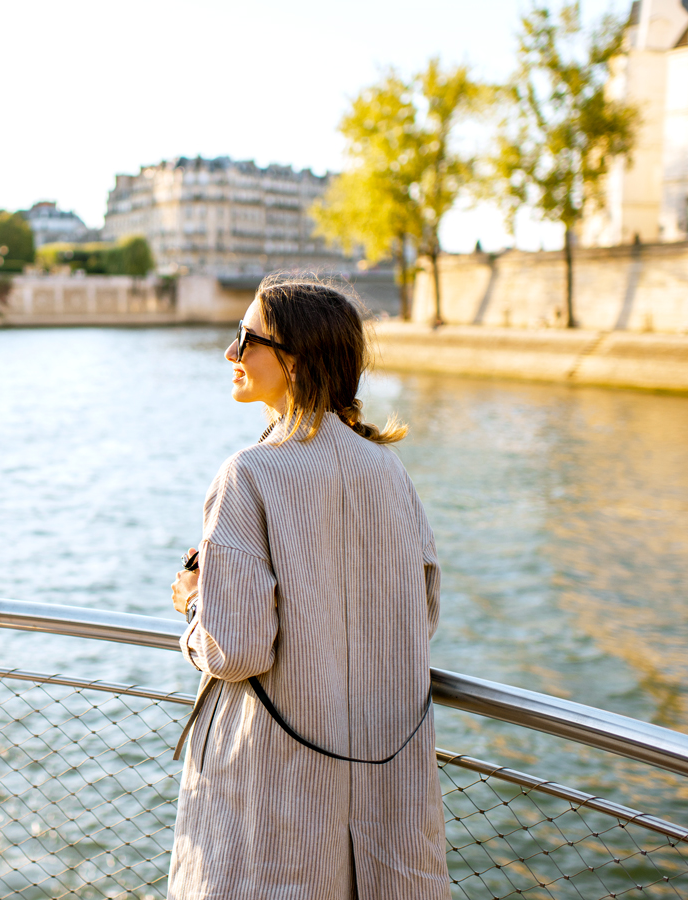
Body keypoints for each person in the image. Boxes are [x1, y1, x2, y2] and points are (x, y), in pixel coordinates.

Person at [167, 276, 449, 899]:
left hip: (274, 789)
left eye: (245, 338)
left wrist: (194, 606)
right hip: (382, 779)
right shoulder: (389, 471)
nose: (230, 354)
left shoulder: (250, 473)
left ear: (292, 358)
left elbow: (234, 650)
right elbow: (421, 615)